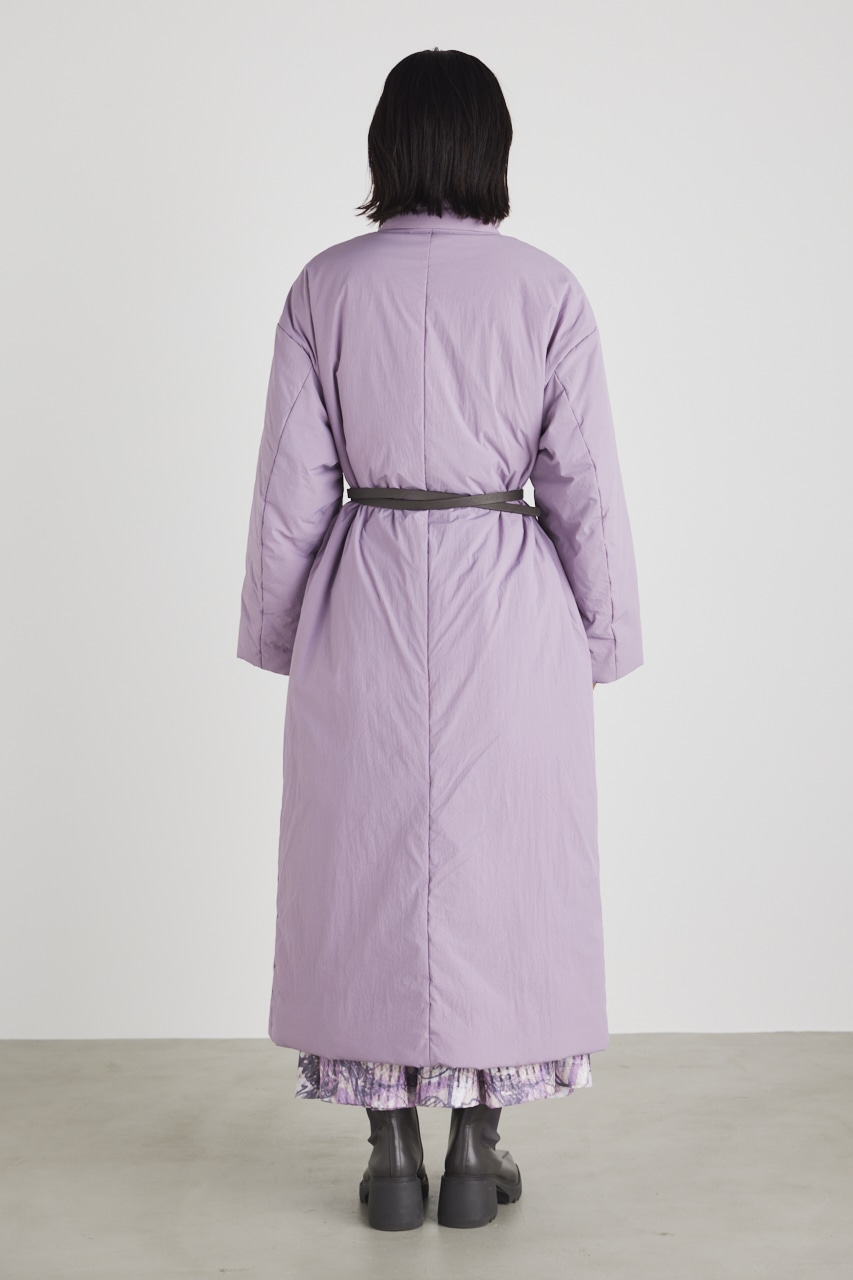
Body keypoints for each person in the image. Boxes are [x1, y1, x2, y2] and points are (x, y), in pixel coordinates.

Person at [236, 47, 643, 1232]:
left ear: (388, 145)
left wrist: (279, 629)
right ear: (490, 148)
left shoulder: (323, 288)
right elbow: (583, 486)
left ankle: (390, 1158)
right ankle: (476, 1144)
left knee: (363, 870)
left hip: (362, 597)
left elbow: (289, 491)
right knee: (501, 874)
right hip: (507, 606)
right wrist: (604, 634)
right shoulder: (544, 290)